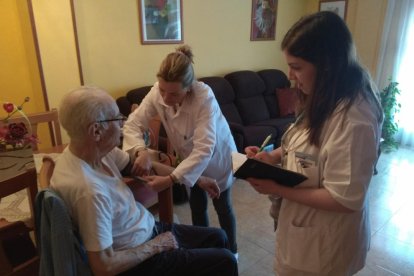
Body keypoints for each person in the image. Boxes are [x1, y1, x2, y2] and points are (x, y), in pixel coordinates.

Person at [244, 11, 383, 275]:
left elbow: (345, 199)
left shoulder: (355, 118)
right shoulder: (325, 95)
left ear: (327, 64)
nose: (290, 75)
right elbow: (313, 143)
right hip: (302, 237)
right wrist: (272, 157)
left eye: (296, 67)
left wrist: (277, 188)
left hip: (325, 249)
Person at [50, 86, 238, 276]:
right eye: (117, 118)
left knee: (219, 237)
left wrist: (198, 179)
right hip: (141, 257)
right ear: (96, 131)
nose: (122, 124)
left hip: (147, 229)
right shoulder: (89, 191)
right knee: (226, 260)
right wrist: (155, 246)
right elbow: (104, 267)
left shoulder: (97, 152)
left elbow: (144, 169)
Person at [122, 45, 239, 256]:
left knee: (223, 207)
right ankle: (205, 253)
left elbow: (204, 148)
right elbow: (132, 124)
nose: (166, 98)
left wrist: (170, 179)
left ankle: (232, 252)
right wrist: (140, 151)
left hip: (217, 158)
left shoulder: (204, 97)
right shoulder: (157, 92)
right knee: (196, 205)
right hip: (188, 160)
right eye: (163, 90)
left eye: (174, 93)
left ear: (189, 87)